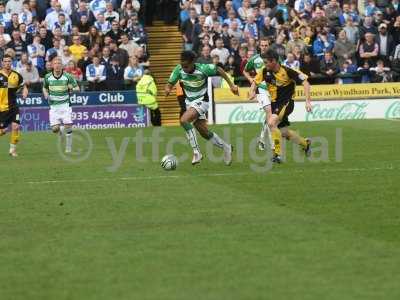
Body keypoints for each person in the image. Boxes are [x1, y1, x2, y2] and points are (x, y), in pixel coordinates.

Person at [165, 51, 239, 165]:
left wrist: (231, 85)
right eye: (182, 65)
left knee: (184, 120)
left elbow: (219, 70)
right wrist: (168, 89)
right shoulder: (178, 69)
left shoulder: (203, 69)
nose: (183, 68)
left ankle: (196, 152)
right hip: (189, 103)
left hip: (202, 101)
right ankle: (226, 147)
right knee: (204, 132)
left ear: (193, 62)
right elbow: (170, 83)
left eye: (186, 66)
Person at [250, 49, 312, 163]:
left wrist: (308, 101)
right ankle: (305, 143)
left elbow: (306, 83)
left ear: (273, 61)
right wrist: (252, 91)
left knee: (271, 123)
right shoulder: (265, 71)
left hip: (287, 102)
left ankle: (277, 155)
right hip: (275, 104)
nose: (264, 65)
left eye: (266, 62)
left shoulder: (288, 71)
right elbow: (255, 81)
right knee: (283, 132)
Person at [42, 56, 79, 154]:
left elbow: (77, 88)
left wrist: (71, 87)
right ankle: (60, 130)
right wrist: (46, 94)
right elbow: (44, 88)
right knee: (55, 129)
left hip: (65, 105)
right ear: (52, 66)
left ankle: (68, 148)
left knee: (68, 125)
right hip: (54, 106)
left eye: (59, 63)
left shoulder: (68, 76)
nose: (57, 65)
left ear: (62, 66)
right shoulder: (47, 77)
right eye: (55, 63)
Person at [242, 38, 273, 152]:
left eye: (266, 45)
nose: (264, 47)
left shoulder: (273, 57)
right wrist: (251, 79)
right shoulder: (254, 59)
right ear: (259, 46)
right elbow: (245, 70)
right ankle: (273, 144)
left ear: (269, 46)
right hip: (262, 90)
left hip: (273, 89)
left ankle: (261, 140)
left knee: (270, 116)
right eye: (262, 45)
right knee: (270, 115)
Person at [0, 55, 28, 157]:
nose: (7, 63)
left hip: (13, 106)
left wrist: (25, 92)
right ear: (2, 63)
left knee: (15, 126)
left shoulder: (16, 75)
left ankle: (12, 150)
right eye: (5, 61)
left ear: (12, 62)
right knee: (2, 131)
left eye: (9, 61)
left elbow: (24, 85)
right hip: (2, 107)